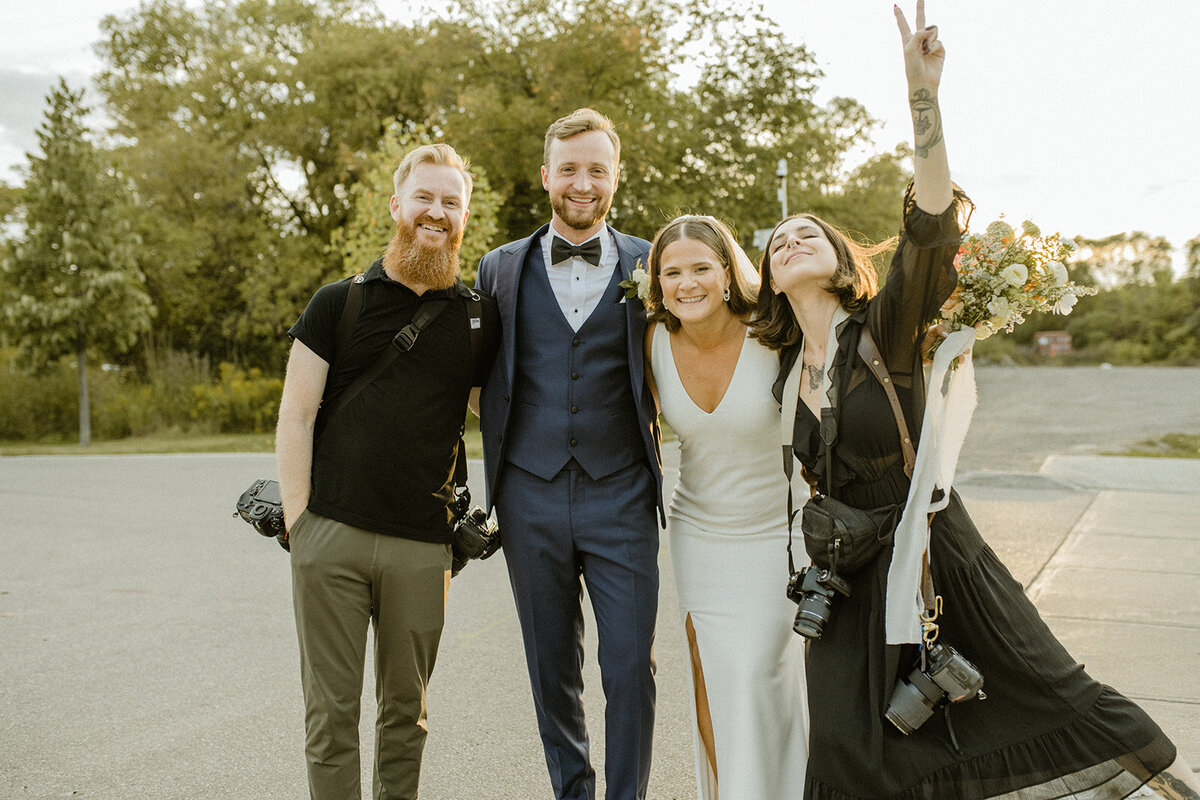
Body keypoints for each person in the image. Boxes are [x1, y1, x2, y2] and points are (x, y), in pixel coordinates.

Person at [753, 4, 1200, 798]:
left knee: (1042, 692)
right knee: (846, 749)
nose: (788, 240)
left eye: (806, 232)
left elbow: (928, 225)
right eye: (774, 239)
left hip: (930, 552)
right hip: (844, 573)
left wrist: (922, 98)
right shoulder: (784, 365)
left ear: (839, 259)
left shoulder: (882, 330)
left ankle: (1170, 780)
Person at [275, 143, 499, 800]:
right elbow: (295, 415)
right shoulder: (335, 304)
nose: (437, 212)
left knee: (407, 717)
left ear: (464, 217)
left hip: (424, 549)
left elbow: (507, 421)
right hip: (330, 540)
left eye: (451, 202)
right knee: (330, 717)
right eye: (424, 197)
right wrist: (298, 523)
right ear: (397, 205)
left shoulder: (480, 319)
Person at [475, 108, 662, 800]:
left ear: (616, 177)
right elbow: (474, 379)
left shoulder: (654, 261)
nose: (582, 183)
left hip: (622, 494)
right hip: (530, 493)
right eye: (570, 168)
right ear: (547, 175)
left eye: (597, 169)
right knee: (550, 665)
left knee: (627, 666)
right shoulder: (498, 268)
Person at [642, 215, 808, 799]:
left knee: (762, 674)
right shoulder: (651, 339)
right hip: (699, 534)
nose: (687, 283)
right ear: (656, 282)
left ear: (728, 272)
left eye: (700, 268)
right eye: (672, 272)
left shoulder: (775, 332)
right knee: (712, 675)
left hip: (777, 534)